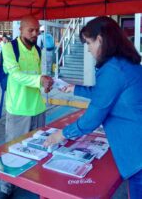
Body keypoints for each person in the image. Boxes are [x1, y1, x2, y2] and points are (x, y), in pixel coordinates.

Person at [44, 16, 142, 199]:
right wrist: (75, 88)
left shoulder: (113, 68)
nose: (88, 49)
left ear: (101, 39)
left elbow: (92, 118)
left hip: (137, 153)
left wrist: (61, 134)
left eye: (89, 43)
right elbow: (108, 94)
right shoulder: (125, 62)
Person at [0, 15, 54, 199]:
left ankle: (33, 181)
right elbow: (16, 76)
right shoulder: (9, 48)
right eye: (31, 30)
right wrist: (39, 79)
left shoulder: (37, 49)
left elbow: (36, 75)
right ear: (20, 29)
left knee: (38, 149)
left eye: (37, 30)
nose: (35, 33)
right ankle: (6, 188)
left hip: (38, 107)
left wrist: (44, 84)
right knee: (12, 149)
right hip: (18, 109)